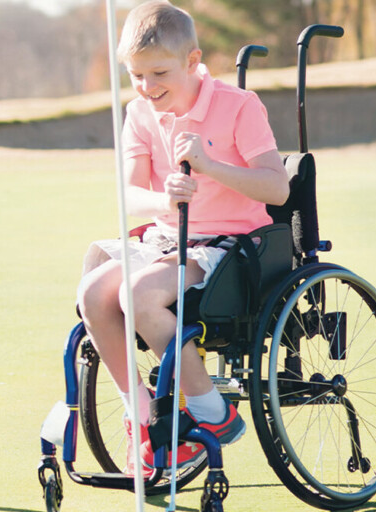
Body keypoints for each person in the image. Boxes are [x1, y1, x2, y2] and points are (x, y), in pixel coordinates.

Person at [77, 0, 288, 477]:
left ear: (192, 62)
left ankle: (214, 414)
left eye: (159, 74)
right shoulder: (139, 113)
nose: (147, 88)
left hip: (231, 246)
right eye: (136, 76)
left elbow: (277, 187)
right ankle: (141, 417)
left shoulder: (239, 105)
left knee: (138, 296)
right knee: (92, 293)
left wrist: (211, 167)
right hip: (168, 237)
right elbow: (129, 196)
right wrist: (164, 203)